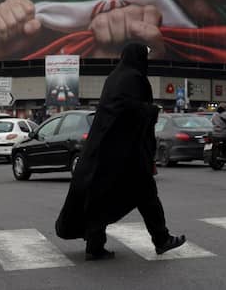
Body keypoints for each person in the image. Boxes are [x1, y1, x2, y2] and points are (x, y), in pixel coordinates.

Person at [56, 43, 185, 261]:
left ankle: (96, 246)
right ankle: (161, 239)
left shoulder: (114, 77)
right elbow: (127, 109)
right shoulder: (134, 78)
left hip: (104, 151)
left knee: (103, 197)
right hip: (125, 152)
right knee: (145, 195)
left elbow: (115, 109)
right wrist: (151, 110)